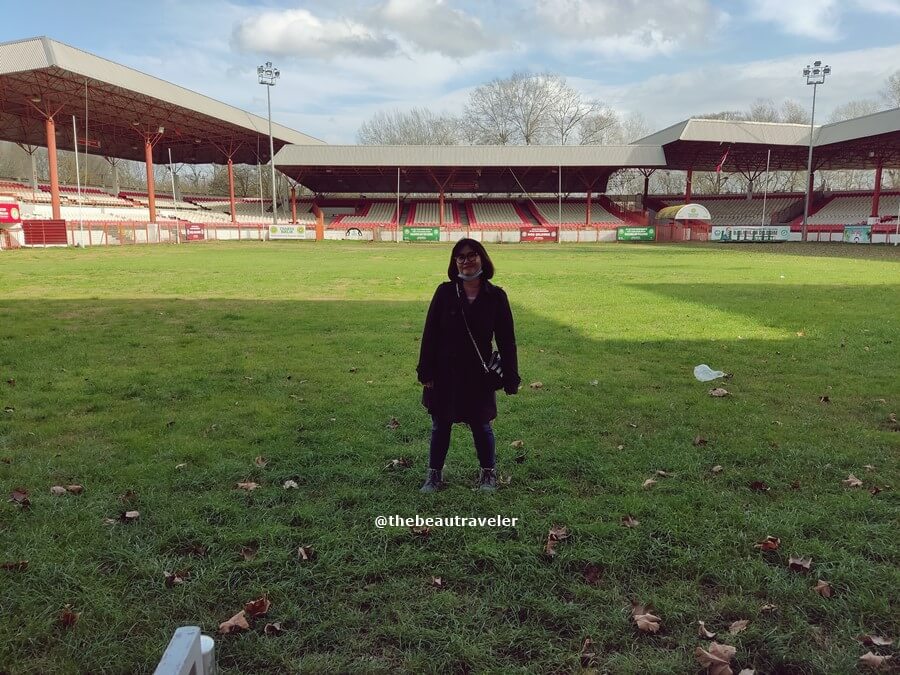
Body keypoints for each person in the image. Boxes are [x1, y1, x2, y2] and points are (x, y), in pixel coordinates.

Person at [416, 238, 520, 493]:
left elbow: (507, 340)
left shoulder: (496, 296)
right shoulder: (444, 292)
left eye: (472, 255)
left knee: (481, 425)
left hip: (478, 373)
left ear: (482, 258)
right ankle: (434, 475)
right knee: (440, 424)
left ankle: (488, 474)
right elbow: (430, 333)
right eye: (460, 257)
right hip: (444, 372)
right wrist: (425, 371)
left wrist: (511, 377)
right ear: (455, 262)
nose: (466, 260)